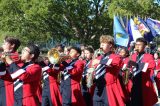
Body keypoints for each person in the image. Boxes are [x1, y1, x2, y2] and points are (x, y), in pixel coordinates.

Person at [91, 35, 125, 106]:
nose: (101, 44)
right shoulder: (99, 57)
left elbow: (115, 63)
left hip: (108, 87)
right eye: (101, 43)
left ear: (110, 45)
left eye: (104, 43)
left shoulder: (115, 56)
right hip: (98, 86)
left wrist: (100, 62)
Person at [128, 37, 157, 106]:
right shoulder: (133, 56)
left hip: (144, 85)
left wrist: (137, 64)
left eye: (139, 45)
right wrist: (129, 72)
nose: (137, 46)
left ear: (144, 46)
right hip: (134, 84)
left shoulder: (149, 56)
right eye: (136, 45)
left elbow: (152, 65)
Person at [0, 36, 21, 106]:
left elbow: (8, 60)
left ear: (12, 45)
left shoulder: (15, 55)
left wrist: (5, 52)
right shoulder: (4, 54)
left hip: (7, 87)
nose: (3, 44)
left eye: (5, 43)